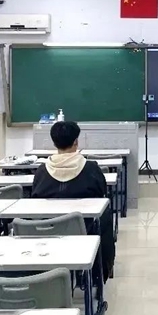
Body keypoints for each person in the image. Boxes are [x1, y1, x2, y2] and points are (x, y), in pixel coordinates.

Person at [31, 121, 115, 282]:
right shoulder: (91, 169)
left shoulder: (41, 171)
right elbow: (102, 194)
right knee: (105, 215)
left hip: (47, 230)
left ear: (54, 143)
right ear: (76, 141)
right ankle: (99, 273)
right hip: (85, 229)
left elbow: (34, 199)